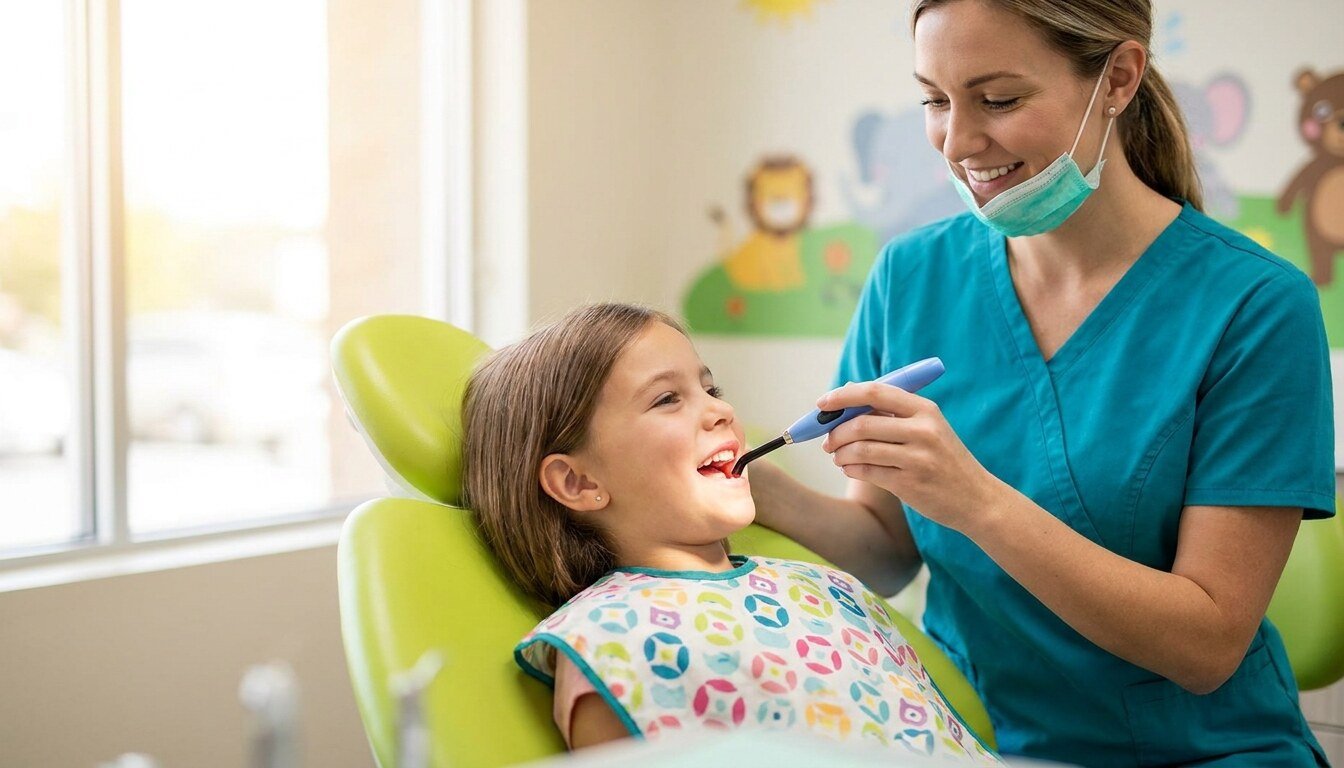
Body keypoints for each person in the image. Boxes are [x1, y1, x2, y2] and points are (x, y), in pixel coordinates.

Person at [746, 1, 1335, 766]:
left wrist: (976, 501)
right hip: (972, 742)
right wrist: (755, 484)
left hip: (1200, 753)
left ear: (1118, 78)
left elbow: (1207, 646)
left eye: (998, 100)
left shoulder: (1256, 307)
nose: (956, 142)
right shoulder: (911, 276)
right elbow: (888, 552)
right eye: (934, 99)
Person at [460, 302, 1001, 763]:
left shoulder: (830, 588)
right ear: (577, 481)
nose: (720, 410)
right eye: (667, 399)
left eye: (710, 387)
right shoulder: (605, 646)